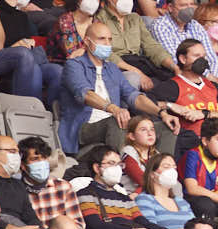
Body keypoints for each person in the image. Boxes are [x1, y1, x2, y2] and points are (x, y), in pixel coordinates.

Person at [57, 21, 175, 156]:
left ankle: (163, 167)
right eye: (101, 39)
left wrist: (162, 113)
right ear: (87, 41)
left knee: (167, 126)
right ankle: (122, 169)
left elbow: (133, 96)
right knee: (117, 120)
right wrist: (114, 109)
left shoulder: (112, 68)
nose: (107, 43)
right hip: (85, 127)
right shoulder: (74, 65)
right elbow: (84, 94)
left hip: (114, 122)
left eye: (110, 39)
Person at [78, 144, 172, 229]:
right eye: (111, 163)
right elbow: (96, 225)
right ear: (96, 167)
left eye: (119, 164)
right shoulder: (86, 194)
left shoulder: (125, 199)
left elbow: (142, 221)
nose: (117, 169)